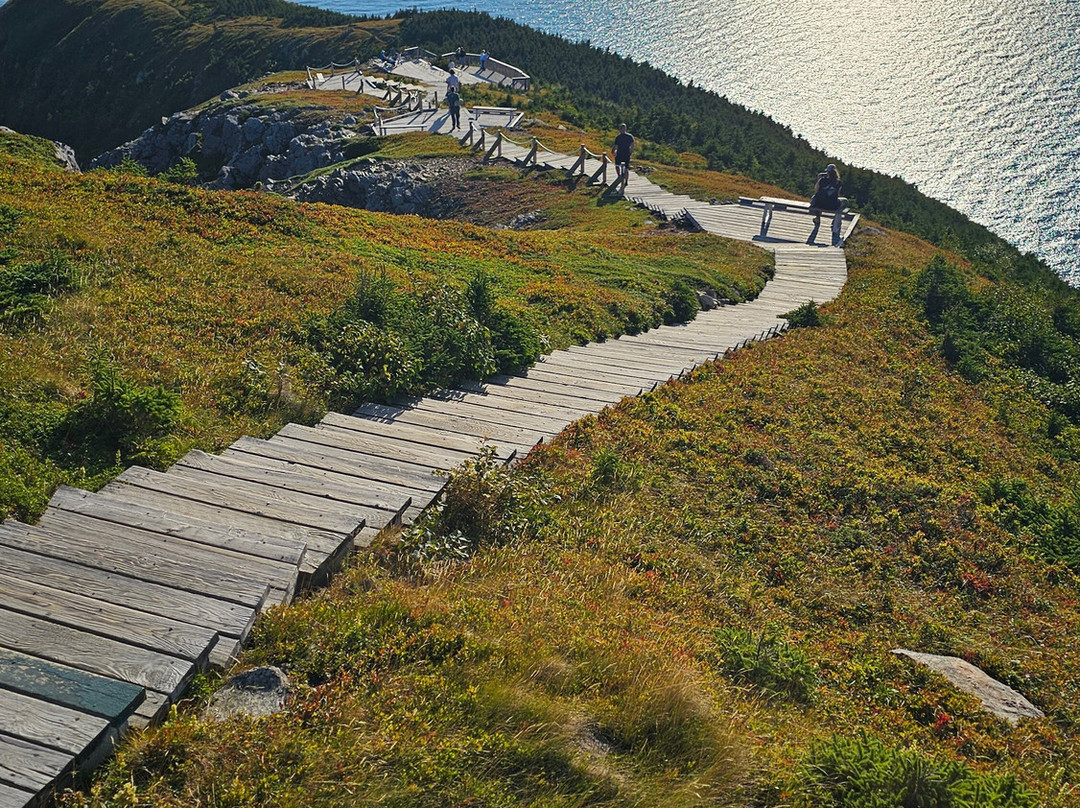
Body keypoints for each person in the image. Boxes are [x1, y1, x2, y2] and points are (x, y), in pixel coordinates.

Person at [809, 163, 846, 243]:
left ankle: (817, 218)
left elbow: (816, 191)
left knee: (816, 200)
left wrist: (820, 177)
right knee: (844, 201)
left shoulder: (822, 180)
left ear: (827, 172)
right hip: (832, 206)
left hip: (820, 204)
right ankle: (835, 223)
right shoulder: (838, 182)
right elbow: (837, 194)